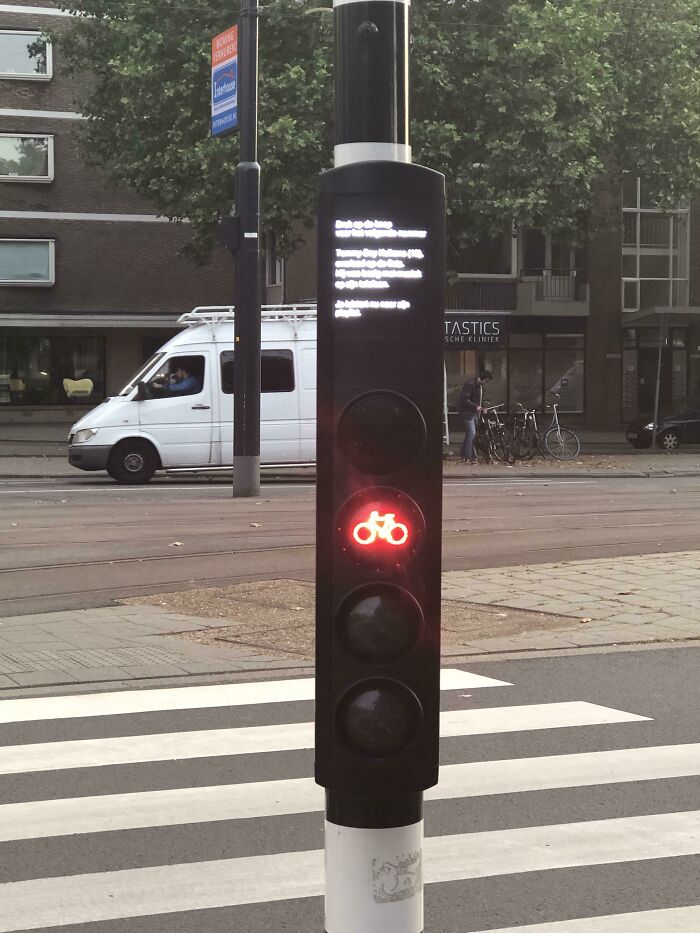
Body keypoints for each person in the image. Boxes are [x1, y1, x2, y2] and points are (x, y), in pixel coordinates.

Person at [458, 369, 492, 463]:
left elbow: (482, 399)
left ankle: (464, 455)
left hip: (475, 412)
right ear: (483, 378)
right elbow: (464, 399)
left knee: (470, 434)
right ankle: (468, 456)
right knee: (472, 433)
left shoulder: (480, 386)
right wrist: (476, 407)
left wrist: (483, 407)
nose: (486, 383)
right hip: (467, 412)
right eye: (486, 380)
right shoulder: (470, 384)